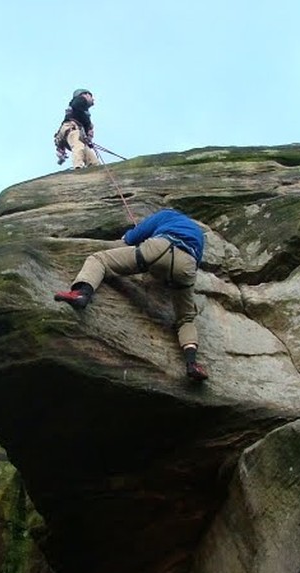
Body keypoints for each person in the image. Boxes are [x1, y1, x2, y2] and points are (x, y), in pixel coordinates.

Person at [54, 208, 209, 381]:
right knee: (186, 318)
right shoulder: (198, 234)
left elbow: (133, 237)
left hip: (160, 248)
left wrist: (128, 237)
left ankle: (81, 293)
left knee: (99, 260)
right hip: (187, 264)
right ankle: (191, 362)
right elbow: (194, 265)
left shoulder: (167, 215)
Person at [54, 88, 100, 169]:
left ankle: (95, 168)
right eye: (90, 96)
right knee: (78, 146)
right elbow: (79, 110)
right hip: (73, 130)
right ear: (84, 95)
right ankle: (78, 167)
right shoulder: (80, 100)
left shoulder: (78, 111)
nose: (93, 99)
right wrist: (89, 126)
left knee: (92, 159)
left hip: (73, 134)